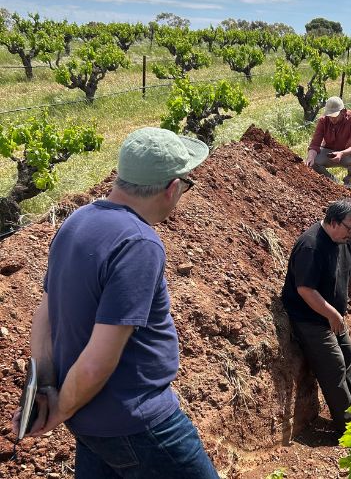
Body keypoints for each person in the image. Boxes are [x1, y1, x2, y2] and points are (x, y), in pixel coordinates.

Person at [11, 127, 219, 478]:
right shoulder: (139, 244)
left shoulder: (77, 221)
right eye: (186, 184)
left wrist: (46, 387)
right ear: (172, 188)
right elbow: (97, 361)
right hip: (139, 423)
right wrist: (58, 411)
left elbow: (45, 315)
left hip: (91, 421)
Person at [281, 199, 351, 434]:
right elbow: (305, 290)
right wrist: (332, 314)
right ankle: (349, 429)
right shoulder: (311, 246)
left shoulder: (345, 239)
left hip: (333, 315)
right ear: (334, 222)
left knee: (347, 355)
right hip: (310, 318)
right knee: (334, 366)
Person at [305, 96, 351, 189]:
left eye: (334, 116)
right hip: (329, 152)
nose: (332, 119)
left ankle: (348, 184)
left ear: (343, 111)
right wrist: (310, 157)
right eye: (330, 116)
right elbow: (315, 144)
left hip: (346, 153)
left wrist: (341, 153)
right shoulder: (323, 121)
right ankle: (333, 182)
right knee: (314, 160)